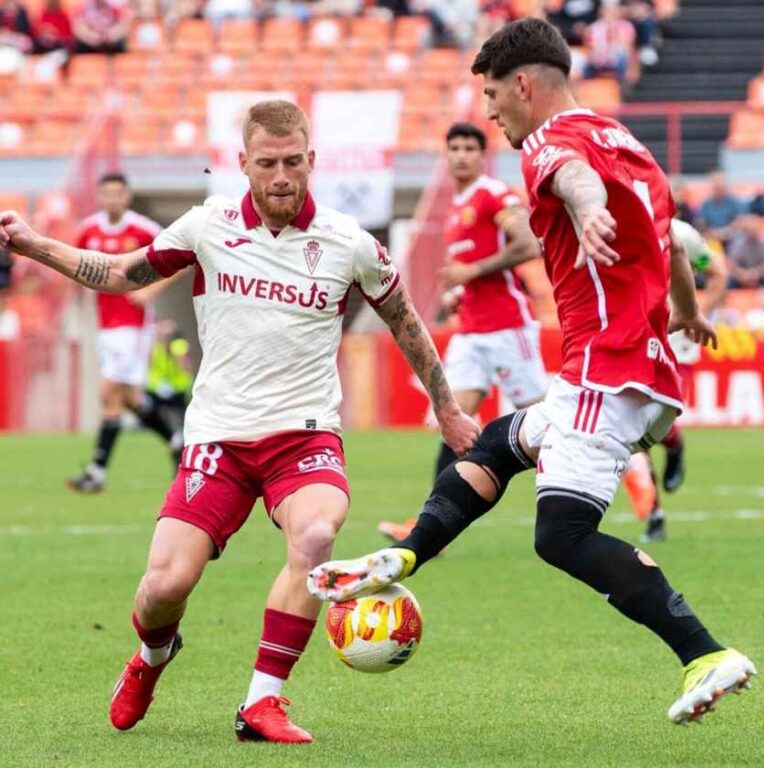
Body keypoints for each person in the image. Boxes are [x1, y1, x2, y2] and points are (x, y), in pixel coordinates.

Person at [308, 19, 755, 726]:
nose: (489, 112)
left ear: (524, 84)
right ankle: (404, 556)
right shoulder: (625, 140)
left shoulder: (553, 142)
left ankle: (704, 651)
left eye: (492, 94)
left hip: (603, 373)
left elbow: (572, 180)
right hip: (636, 372)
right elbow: (676, 239)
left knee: (561, 535)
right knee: (499, 443)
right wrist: (689, 312)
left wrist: (587, 208)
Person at [0, 99, 479, 744]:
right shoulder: (207, 225)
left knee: (314, 539)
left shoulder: (350, 244)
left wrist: (446, 406)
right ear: (242, 163)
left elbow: (405, 320)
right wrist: (33, 245)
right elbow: (117, 273)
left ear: (312, 160)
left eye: (292, 162)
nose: (281, 176)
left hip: (304, 436)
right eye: (267, 163)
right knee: (164, 587)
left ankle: (262, 702)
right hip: (218, 438)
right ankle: (150, 659)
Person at [379, 121, 545, 543]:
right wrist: (462, 292)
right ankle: (429, 526)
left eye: (470, 147)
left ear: (481, 154)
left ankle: (624, 480)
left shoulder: (492, 193)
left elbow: (529, 244)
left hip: (509, 328)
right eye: (454, 147)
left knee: (551, 424)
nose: (461, 155)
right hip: (471, 331)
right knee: (452, 422)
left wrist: (472, 271)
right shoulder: (455, 207)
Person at [68, 172, 183, 493]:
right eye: (106, 193)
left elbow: (180, 260)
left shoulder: (144, 229)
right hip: (105, 326)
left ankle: (96, 471)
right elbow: (74, 266)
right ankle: (176, 439)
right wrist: (78, 314)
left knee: (108, 393)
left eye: (118, 193)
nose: (112, 199)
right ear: (99, 196)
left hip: (133, 326)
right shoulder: (88, 230)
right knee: (131, 399)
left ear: (127, 196)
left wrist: (149, 292)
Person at [624, 217, 728, 542]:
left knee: (659, 421)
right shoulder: (615, 230)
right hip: (634, 340)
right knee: (631, 428)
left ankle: (673, 443)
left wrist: (695, 313)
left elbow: (717, 273)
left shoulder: (682, 235)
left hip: (677, 344)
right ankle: (653, 514)